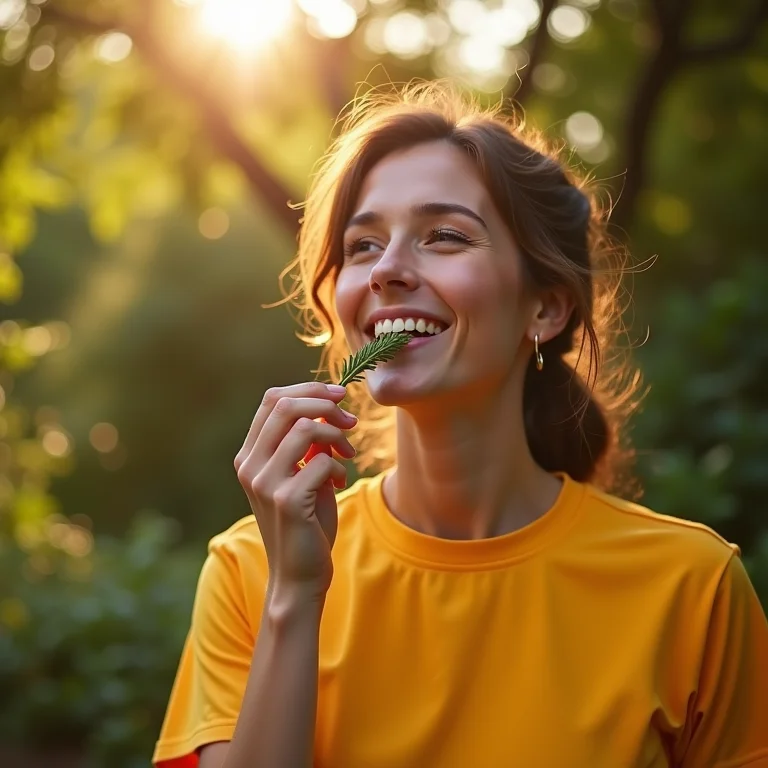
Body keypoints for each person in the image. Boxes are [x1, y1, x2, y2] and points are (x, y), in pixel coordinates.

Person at [152, 83, 768, 768]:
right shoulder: (252, 570)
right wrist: (294, 598)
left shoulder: (693, 588)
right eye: (362, 245)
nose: (386, 270)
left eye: (444, 236)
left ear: (545, 309)